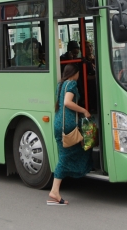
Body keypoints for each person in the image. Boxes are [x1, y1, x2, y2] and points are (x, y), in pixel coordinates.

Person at [48, 64, 92, 206]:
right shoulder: (72, 84)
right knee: (65, 157)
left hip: (59, 123)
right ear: (75, 73)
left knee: (76, 150)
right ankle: (54, 191)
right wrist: (84, 110)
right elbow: (67, 102)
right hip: (67, 125)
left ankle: (80, 172)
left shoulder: (60, 85)